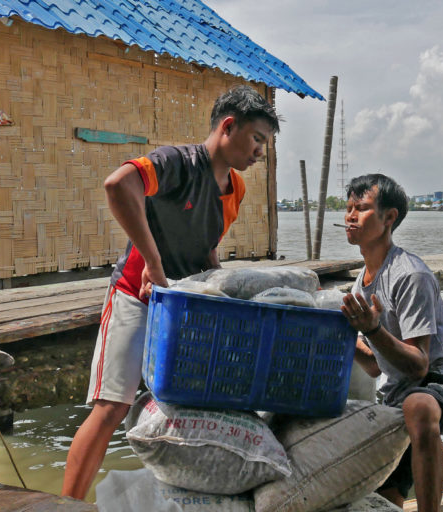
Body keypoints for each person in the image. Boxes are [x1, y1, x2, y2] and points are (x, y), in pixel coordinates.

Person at [61, 85, 280, 500]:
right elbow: (118, 186)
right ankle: (64, 505)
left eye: (264, 145)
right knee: (112, 407)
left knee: (194, 406)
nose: (259, 153)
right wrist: (153, 262)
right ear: (228, 126)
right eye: (257, 140)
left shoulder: (235, 188)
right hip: (136, 295)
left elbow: (208, 248)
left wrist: (225, 289)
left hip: (183, 309)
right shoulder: (178, 162)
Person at [339, 174, 443, 512]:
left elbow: (418, 364)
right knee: (385, 500)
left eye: (363, 208)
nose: (350, 216)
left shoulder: (410, 275)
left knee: (418, 406)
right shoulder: (361, 283)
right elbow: (374, 365)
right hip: (397, 394)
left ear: (389, 218)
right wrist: (338, 336)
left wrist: (371, 330)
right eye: (349, 208)